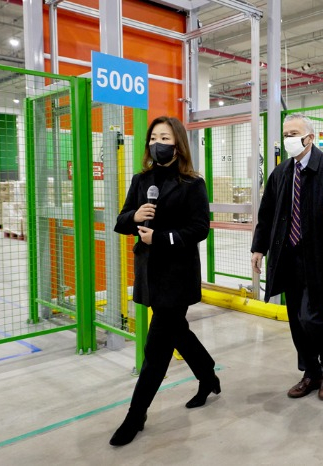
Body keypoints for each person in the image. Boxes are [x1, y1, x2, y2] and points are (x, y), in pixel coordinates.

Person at [110, 116, 219, 446]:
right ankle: (208, 374)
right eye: (154, 137)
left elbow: (200, 228)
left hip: (177, 274)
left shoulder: (192, 183)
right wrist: (135, 217)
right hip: (149, 272)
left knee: (156, 347)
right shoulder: (142, 180)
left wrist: (163, 238)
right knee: (177, 332)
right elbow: (122, 221)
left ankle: (135, 415)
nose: (158, 143)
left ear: (178, 144)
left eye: (165, 137)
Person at [251, 113, 323, 401]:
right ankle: (310, 372)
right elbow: (266, 215)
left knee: (312, 315)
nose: (289, 139)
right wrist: (259, 248)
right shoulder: (280, 173)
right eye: (286, 134)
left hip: (319, 256)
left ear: (311, 136)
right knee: (295, 317)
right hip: (287, 255)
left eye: (294, 133)